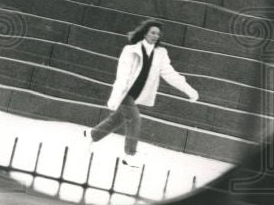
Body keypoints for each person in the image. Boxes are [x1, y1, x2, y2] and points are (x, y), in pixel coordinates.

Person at [84, 20, 199, 168]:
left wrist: (189, 90)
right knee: (135, 119)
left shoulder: (160, 53)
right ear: (145, 33)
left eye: (158, 33)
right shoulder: (130, 50)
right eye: (152, 32)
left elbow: (170, 74)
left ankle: (91, 135)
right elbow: (123, 75)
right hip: (125, 93)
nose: (155, 35)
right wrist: (115, 96)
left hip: (136, 96)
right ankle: (130, 155)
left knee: (116, 120)